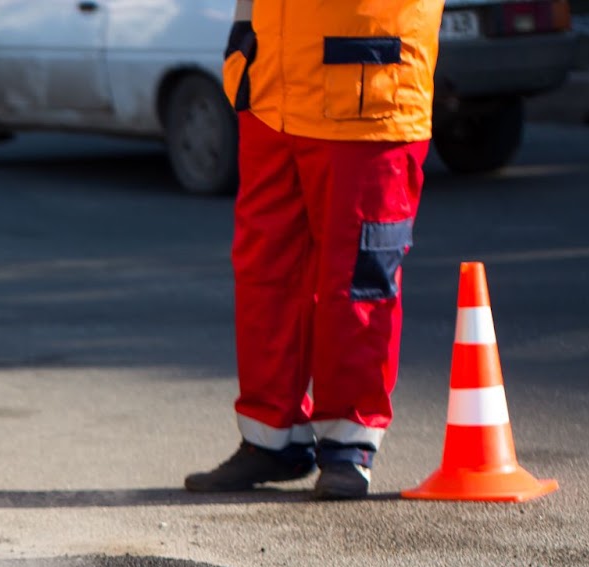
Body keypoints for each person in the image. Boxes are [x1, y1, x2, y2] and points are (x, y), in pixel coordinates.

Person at [185, 0, 443, 499]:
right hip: (272, 86)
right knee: (266, 276)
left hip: (363, 91)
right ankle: (270, 440)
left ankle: (348, 444)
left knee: (357, 278)